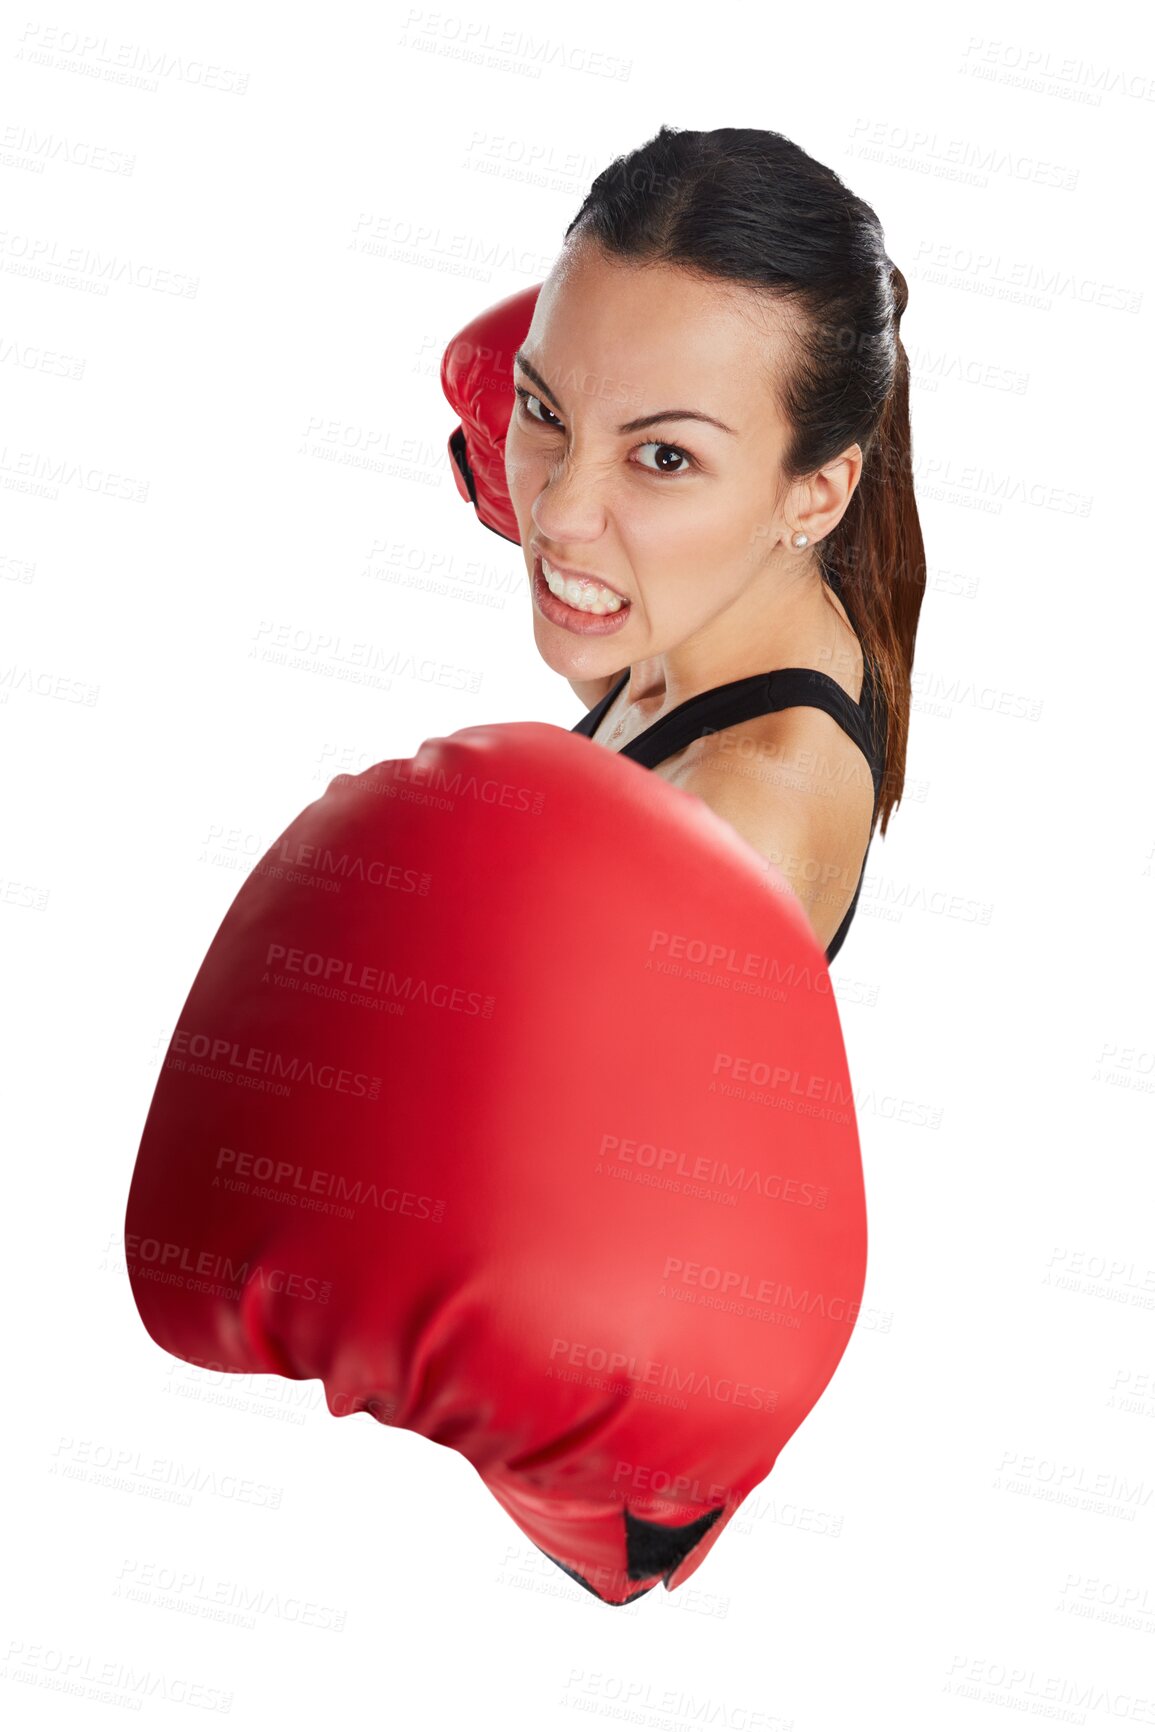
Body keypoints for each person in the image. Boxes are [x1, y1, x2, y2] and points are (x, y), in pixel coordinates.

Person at [501, 124, 926, 963]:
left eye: (665, 456)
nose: (556, 516)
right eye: (544, 410)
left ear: (816, 493)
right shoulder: (689, 617)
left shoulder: (735, 823)